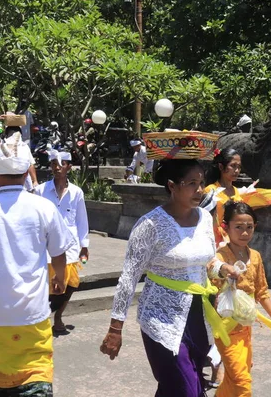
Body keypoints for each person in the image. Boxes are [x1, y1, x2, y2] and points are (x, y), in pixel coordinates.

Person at [100, 158, 237, 397]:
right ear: (172, 186)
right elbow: (128, 278)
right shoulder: (150, 225)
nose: (199, 190)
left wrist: (223, 269)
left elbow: (205, 263)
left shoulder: (205, 219)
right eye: (191, 183)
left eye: (202, 183)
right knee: (186, 389)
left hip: (198, 317)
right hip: (161, 318)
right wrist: (115, 327)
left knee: (174, 387)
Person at [0, 133, 74, 396]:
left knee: (5, 378)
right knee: (37, 369)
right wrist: (58, 277)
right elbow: (59, 252)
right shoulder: (43, 207)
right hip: (33, 309)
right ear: (26, 170)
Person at [214, 201, 271, 397]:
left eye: (249, 227)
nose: (244, 232)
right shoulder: (219, 257)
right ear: (226, 228)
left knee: (237, 377)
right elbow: (211, 288)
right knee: (242, 382)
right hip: (225, 329)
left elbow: (262, 292)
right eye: (238, 227)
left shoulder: (255, 257)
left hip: (246, 327)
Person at [34, 150, 89, 334]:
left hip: (70, 246)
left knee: (70, 284)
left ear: (69, 167)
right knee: (45, 285)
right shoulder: (40, 190)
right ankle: (43, 318)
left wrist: (85, 245)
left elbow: (81, 220)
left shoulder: (76, 192)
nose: (57, 168)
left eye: (61, 164)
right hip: (46, 245)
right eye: (53, 164)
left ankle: (58, 316)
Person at [205, 148, 271, 246]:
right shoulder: (211, 190)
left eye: (239, 167)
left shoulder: (236, 191)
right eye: (233, 166)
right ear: (221, 167)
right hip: (215, 240)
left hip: (235, 239)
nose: (237, 170)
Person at [0, 114, 38, 188]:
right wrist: (34, 181)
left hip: (3, 188)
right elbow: (31, 165)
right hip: (20, 188)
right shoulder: (23, 148)